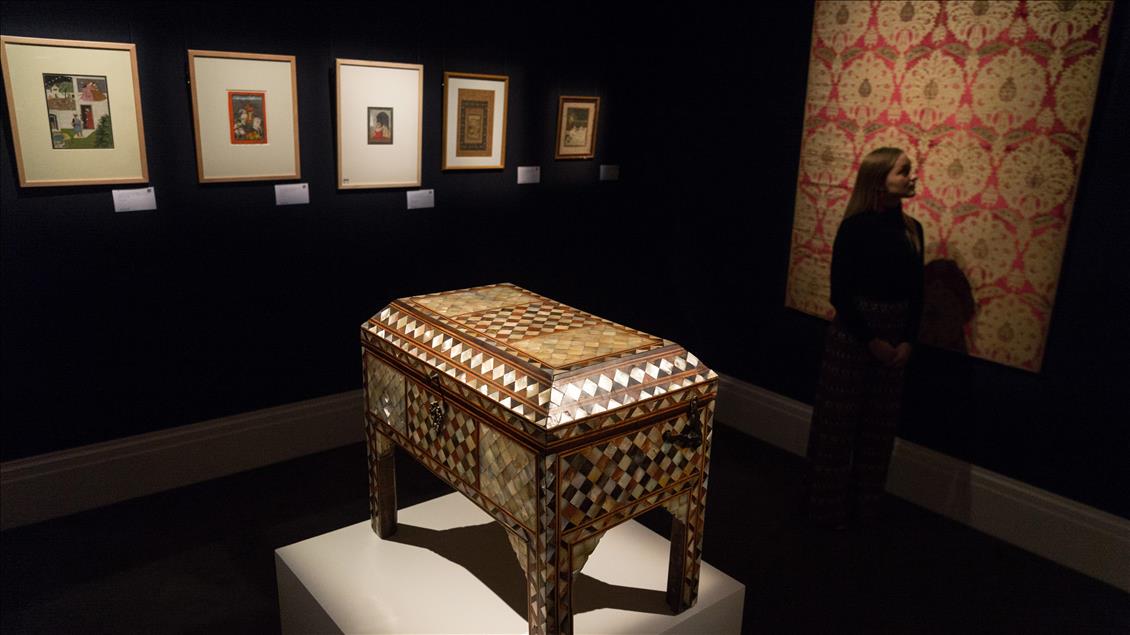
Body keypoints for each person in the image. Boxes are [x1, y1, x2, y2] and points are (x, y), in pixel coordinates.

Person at [804, 146, 924, 528]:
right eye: (903, 171)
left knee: (878, 431)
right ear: (879, 179)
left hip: (895, 340)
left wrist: (907, 341)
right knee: (837, 429)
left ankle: (865, 509)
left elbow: (917, 294)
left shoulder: (913, 230)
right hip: (853, 338)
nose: (912, 176)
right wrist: (872, 340)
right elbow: (840, 293)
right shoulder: (855, 227)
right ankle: (826, 511)